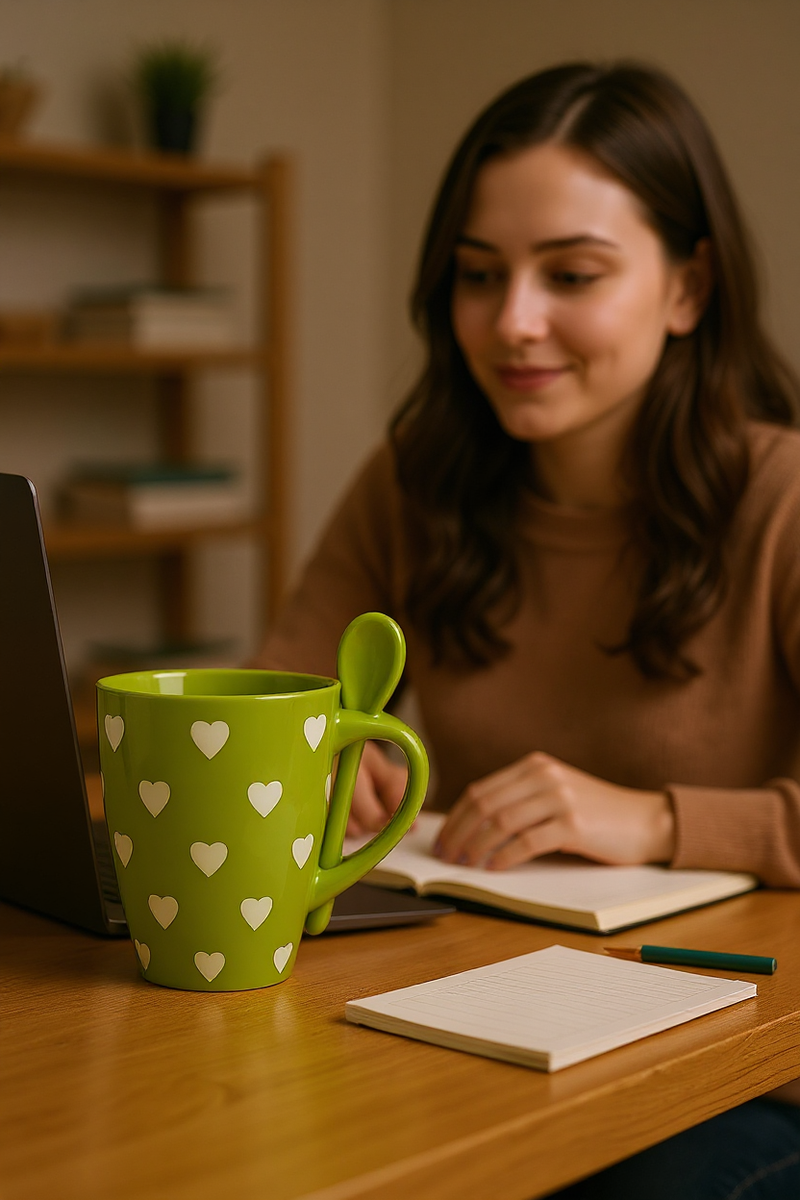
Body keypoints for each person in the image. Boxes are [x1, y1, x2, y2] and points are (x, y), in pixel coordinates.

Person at [259, 62, 800, 1197]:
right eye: (476, 275)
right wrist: (311, 758)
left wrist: (655, 818)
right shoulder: (416, 479)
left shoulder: (782, 500)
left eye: (571, 274)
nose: (511, 323)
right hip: (476, 1021)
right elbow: (281, 688)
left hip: (728, 1067)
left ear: (688, 288)